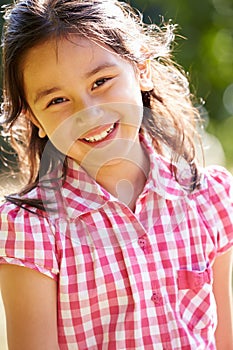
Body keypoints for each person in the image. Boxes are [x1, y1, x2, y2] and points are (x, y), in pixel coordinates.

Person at [0, 0, 232, 349]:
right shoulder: (32, 229)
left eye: (101, 81)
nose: (88, 113)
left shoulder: (208, 197)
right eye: (57, 101)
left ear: (142, 71)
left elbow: (224, 336)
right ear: (35, 120)